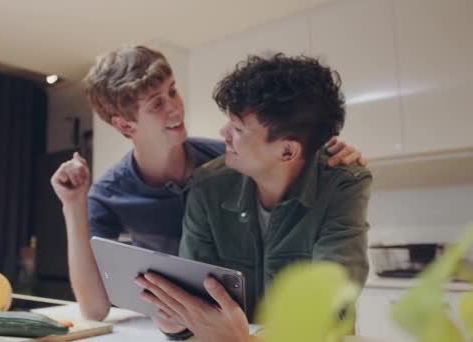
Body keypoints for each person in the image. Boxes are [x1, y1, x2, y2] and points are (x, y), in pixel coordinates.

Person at [50, 46, 367, 325]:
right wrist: (73, 205)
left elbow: (279, 151)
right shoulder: (111, 193)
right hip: (182, 322)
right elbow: (93, 309)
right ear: (124, 124)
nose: (175, 107)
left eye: (173, 91)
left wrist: (319, 148)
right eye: (157, 103)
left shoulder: (229, 161)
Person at [135, 53, 372, 341]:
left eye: (237, 129)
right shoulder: (208, 185)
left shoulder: (342, 183)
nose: (223, 134)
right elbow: (194, 294)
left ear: (287, 151)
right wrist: (176, 321)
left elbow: (329, 302)